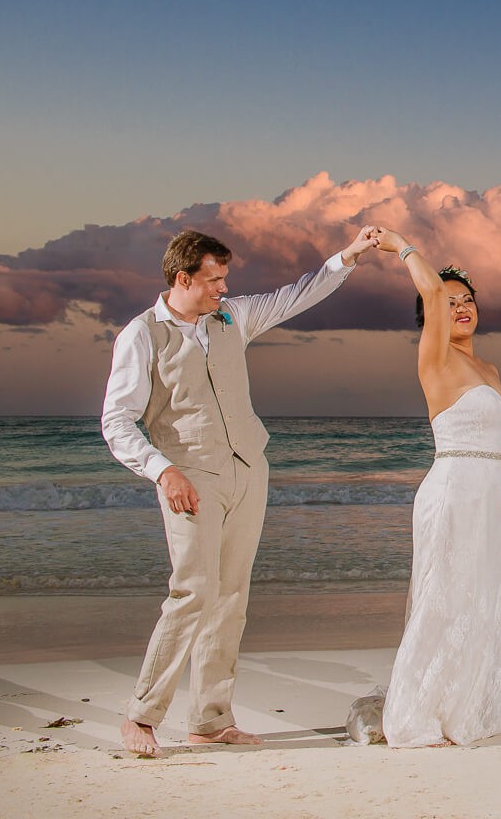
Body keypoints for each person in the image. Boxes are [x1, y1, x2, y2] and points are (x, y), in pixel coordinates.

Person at [102, 226, 382, 757]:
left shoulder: (232, 317)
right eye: (213, 280)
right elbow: (117, 421)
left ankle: (210, 720)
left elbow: (296, 294)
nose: (222, 289)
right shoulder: (142, 334)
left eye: (225, 279)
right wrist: (163, 471)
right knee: (193, 592)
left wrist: (348, 255)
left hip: (249, 469)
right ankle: (141, 716)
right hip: (189, 475)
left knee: (231, 598)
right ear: (182, 278)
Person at [372, 227, 501, 746]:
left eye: (469, 300)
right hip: (450, 491)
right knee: (441, 599)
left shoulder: (489, 367)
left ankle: (466, 702)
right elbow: (434, 294)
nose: (460, 307)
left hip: (484, 497)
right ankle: (416, 715)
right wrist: (400, 245)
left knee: (480, 597)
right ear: (433, 314)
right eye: (450, 301)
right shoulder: (436, 359)